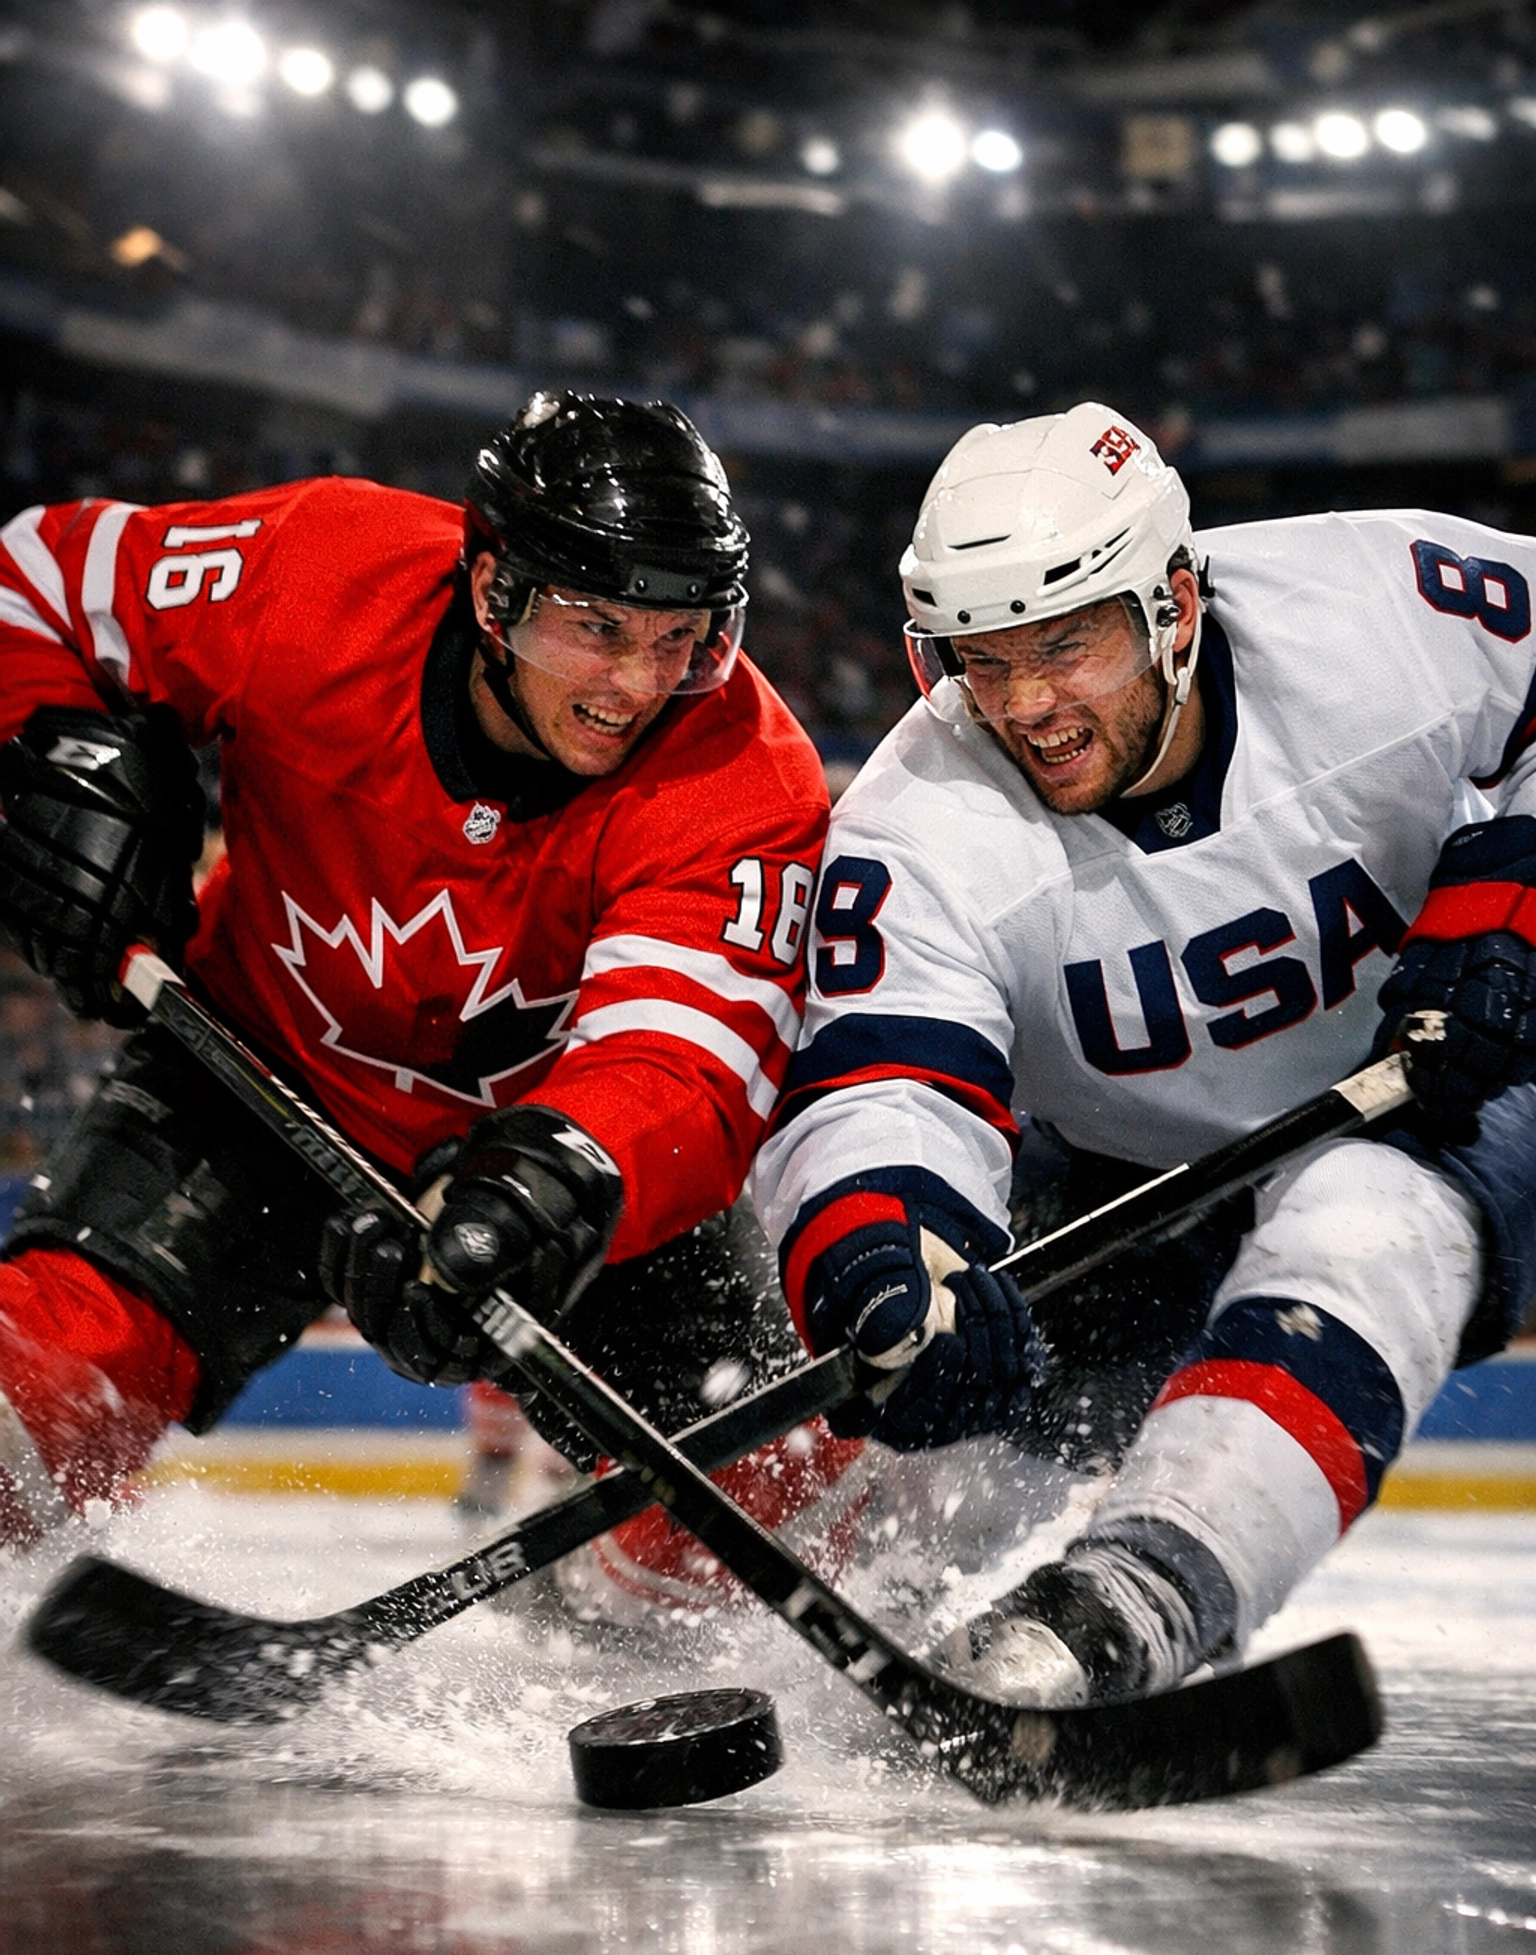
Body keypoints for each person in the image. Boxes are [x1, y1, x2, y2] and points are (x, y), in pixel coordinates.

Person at [0, 391, 856, 1586]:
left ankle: (598, 1617)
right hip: (255, 1081)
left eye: (682, 637)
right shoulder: (312, 570)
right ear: (492, 584)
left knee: (759, 1505)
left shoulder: (747, 779)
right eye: (597, 628)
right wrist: (49, 750)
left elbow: (688, 1062)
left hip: (553, 1171)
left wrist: (559, 1180)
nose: (639, 686)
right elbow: (34, 578)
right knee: (37, 1386)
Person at [752, 401, 1536, 1705]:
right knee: (960, 1422)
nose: (1027, 706)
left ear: (1176, 602)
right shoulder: (919, 821)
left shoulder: (1382, 611)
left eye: (1066, 645)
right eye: (982, 660)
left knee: (1370, 1215)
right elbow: (876, 1080)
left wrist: (1513, 899)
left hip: (1451, 1082)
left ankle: (1141, 1600)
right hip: (1145, 1175)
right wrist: (886, 1251)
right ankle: (690, 1612)